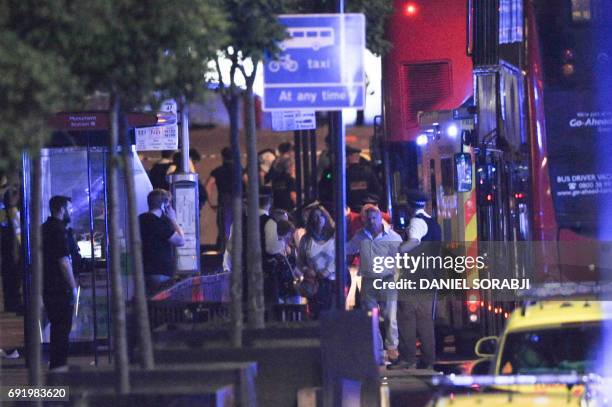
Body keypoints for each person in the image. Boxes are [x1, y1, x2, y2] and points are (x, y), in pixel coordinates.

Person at [347, 204, 403, 365]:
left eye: (374, 218)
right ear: (364, 220)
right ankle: (377, 351)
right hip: (369, 281)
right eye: (368, 218)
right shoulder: (360, 236)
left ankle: (392, 348)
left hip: (387, 280)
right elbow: (347, 249)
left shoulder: (393, 237)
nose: (371, 221)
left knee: (390, 317)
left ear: (380, 218)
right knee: (372, 318)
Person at [393, 190, 441, 370]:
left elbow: (413, 242)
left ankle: (407, 358)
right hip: (430, 277)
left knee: (406, 317)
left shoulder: (416, 222)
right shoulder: (433, 223)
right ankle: (429, 359)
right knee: (425, 321)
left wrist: (398, 250)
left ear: (409, 206)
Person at [42, 196, 79, 370]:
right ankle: (59, 367)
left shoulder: (45, 228)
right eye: (69, 209)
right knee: (62, 328)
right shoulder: (59, 231)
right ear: (62, 209)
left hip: (48, 284)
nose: (71, 212)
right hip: (60, 287)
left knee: (58, 327)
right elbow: (64, 262)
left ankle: (56, 365)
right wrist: (72, 287)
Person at [139, 189, 185, 295]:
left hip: (144, 271)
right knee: (162, 304)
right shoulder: (162, 223)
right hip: (161, 272)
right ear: (164, 206)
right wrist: (173, 220)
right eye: (169, 205)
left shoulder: (140, 219)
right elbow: (181, 241)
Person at [296, 204, 335, 319]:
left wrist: (327, 271)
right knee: (316, 316)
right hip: (314, 283)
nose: (318, 219)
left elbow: (341, 258)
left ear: (326, 218)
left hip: (332, 282)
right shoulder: (306, 239)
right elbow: (300, 261)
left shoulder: (334, 236)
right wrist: (306, 270)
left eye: (321, 216)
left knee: (331, 316)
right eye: (315, 216)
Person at [206, 147, 236, 251]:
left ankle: (226, 254)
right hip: (239, 201)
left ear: (223, 157)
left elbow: (208, 185)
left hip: (224, 202)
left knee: (225, 229)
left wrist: (210, 202)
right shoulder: (240, 170)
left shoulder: (218, 171)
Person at [346, 145, 382, 212]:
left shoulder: (344, 173)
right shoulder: (368, 171)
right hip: (368, 210)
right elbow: (377, 191)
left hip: (350, 210)